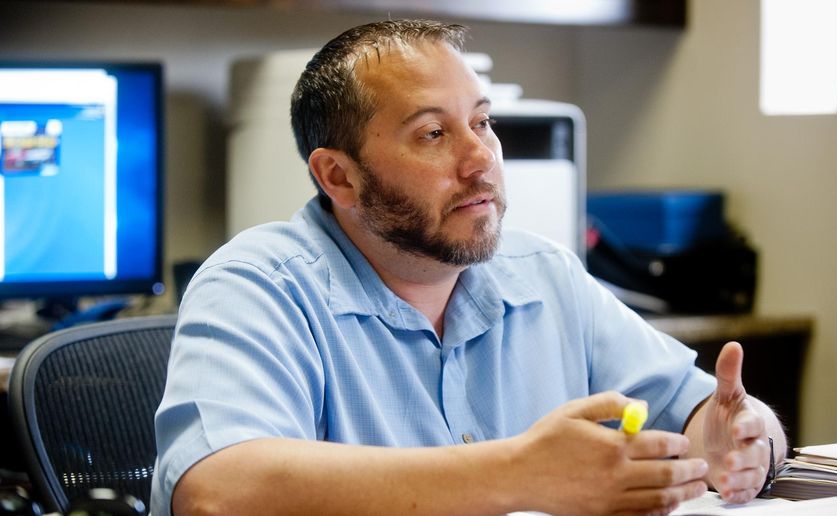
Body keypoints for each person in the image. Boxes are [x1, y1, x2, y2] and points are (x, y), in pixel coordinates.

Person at [151, 19, 786, 516]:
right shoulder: (257, 285)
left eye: (482, 123)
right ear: (338, 176)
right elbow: (217, 493)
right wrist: (519, 474)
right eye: (433, 134)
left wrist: (744, 439)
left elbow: (699, 412)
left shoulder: (544, 273)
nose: (481, 159)